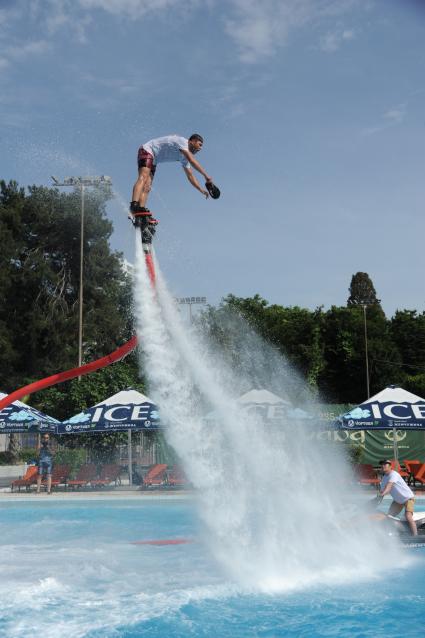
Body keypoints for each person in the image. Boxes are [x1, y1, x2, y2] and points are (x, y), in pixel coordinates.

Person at [130, 133, 213, 219]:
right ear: (192, 141)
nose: (200, 148)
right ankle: (134, 205)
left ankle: (140, 211)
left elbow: (190, 176)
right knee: (143, 178)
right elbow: (192, 160)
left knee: (147, 187)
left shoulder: (184, 157)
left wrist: (200, 189)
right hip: (147, 150)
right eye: (200, 144)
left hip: (154, 160)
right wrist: (205, 175)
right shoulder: (183, 142)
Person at [379, 459, 417, 536]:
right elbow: (382, 492)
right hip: (398, 501)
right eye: (382, 464)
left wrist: (382, 494)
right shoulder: (384, 478)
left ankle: (415, 535)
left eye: (385, 464)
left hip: (408, 498)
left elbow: (389, 487)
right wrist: (377, 499)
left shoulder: (394, 474)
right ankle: (389, 533)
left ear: (390, 466)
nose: (383, 466)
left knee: (408, 516)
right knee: (389, 516)